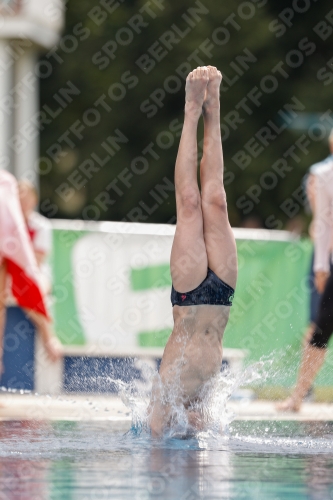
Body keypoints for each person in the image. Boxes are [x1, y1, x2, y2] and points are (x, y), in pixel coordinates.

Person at [148, 66, 237, 436]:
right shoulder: (179, 413)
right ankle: (209, 109)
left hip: (190, 292)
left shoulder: (162, 406)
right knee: (210, 200)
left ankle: (196, 110)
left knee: (194, 202)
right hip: (220, 295)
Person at [277, 132, 333, 412]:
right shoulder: (322, 174)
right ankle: (298, 395)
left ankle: (298, 396)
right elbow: (321, 222)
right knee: (321, 325)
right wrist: (322, 264)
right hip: (329, 256)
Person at [0, 171, 62, 378]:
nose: (22, 201)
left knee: (32, 287)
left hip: (29, 272)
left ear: (34, 200)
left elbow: (34, 262)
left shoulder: (41, 225)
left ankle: (49, 337)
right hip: (9, 272)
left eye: (26, 197)